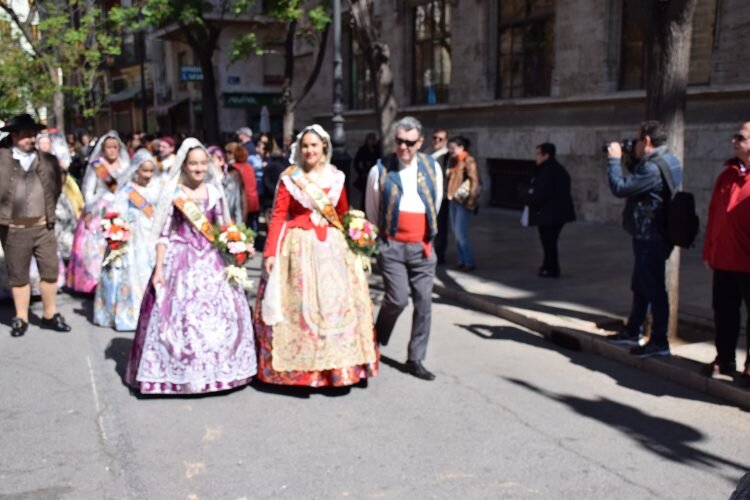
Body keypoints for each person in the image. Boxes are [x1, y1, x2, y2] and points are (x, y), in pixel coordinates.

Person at [125, 139, 257, 395]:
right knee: (180, 319)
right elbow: (164, 234)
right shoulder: (175, 193)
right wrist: (160, 269)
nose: (198, 168)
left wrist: (238, 245)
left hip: (212, 259)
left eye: (202, 163)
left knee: (222, 317)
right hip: (181, 259)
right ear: (184, 166)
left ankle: (218, 373)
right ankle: (183, 374)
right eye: (193, 163)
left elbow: (223, 227)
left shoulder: (214, 192)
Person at [255, 124, 378, 387]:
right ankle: (304, 370)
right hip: (298, 248)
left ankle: (337, 368)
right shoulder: (290, 178)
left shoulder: (337, 177)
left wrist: (357, 237)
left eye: (314, 145)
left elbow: (343, 213)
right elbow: (278, 216)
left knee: (335, 308)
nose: (309, 150)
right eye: (305, 146)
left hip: (333, 250)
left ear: (324, 148)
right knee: (301, 309)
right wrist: (270, 251)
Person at [365, 116, 442, 381]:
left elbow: (437, 203)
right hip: (392, 246)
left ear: (420, 142)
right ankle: (376, 338)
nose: (404, 147)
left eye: (410, 142)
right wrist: (378, 242)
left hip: (422, 247)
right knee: (397, 299)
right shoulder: (381, 169)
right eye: (399, 141)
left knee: (424, 304)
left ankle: (415, 358)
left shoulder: (432, 168)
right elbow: (372, 210)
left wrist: (427, 238)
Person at [606, 120, 682, 357]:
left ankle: (659, 341)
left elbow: (620, 187)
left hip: (650, 236)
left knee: (654, 288)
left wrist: (613, 161)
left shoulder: (651, 169)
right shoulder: (669, 159)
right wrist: (631, 157)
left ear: (647, 140)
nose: (634, 143)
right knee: (641, 284)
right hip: (652, 233)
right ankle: (633, 330)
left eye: (637, 139)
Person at [0, 113, 71, 337]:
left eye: (33, 135)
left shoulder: (47, 160)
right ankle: (21, 317)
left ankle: (50, 315)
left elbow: (57, 187)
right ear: (14, 136)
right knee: (18, 275)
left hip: (43, 227)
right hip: (14, 229)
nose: (31, 139)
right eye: (26, 135)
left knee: (50, 271)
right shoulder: (0, 158)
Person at [702, 122, 750, 382]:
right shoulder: (727, 174)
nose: (734, 141)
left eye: (740, 137)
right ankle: (725, 357)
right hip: (724, 259)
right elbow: (714, 216)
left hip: (748, 261)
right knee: (724, 311)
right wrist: (709, 250)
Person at [93, 149, 159, 331]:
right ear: (136, 170)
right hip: (132, 235)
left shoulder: (158, 186)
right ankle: (130, 315)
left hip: (152, 234)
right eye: (144, 171)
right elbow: (117, 211)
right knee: (128, 275)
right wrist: (119, 229)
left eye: (151, 171)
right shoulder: (127, 189)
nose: (148, 175)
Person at [66, 131, 130, 293]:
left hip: (121, 206)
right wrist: (89, 210)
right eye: (108, 147)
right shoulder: (97, 165)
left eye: (115, 147)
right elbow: (88, 189)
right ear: (103, 148)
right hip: (100, 207)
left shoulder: (125, 164)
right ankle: (93, 282)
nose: (112, 150)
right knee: (95, 246)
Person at [522, 143, 576, 278]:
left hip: (550, 214)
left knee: (548, 241)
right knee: (549, 241)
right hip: (556, 213)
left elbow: (542, 192)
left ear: (546, 155)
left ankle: (551, 268)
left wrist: (529, 199)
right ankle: (547, 265)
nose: (536, 157)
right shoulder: (556, 169)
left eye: (538, 154)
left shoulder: (547, 171)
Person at [445, 136, 479, 272]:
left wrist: (471, 200)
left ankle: (469, 261)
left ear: (461, 147)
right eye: (449, 148)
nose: (450, 150)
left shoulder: (468, 160)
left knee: (461, 233)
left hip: (463, 201)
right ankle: (461, 260)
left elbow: (474, 180)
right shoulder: (452, 161)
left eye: (453, 148)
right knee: (455, 232)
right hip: (452, 199)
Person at [207, 145, 246, 224]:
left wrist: (239, 227)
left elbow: (237, 207)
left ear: (221, 160)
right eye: (206, 162)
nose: (208, 165)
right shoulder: (205, 184)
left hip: (229, 225)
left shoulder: (231, 181)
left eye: (211, 161)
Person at [429, 129, 450, 264]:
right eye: (435, 138)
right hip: (427, 196)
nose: (437, 141)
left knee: (441, 227)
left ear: (446, 141)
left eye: (440, 139)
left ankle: (439, 254)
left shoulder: (448, 156)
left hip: (442, 197)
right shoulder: (427, 153)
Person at [233, 145, 260, 231]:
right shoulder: (250, 167)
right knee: (252, 225)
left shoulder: (234, 168)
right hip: (253, 200)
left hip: (243, 201)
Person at [353, 133, 382, 209]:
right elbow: (356, 162)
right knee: (365, 195)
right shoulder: (362, 149)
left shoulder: (377, 149)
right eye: (370, 139)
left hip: (375, 174)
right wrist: (361, 172)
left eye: (373, 139)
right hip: (365, 174)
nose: (372, 141)